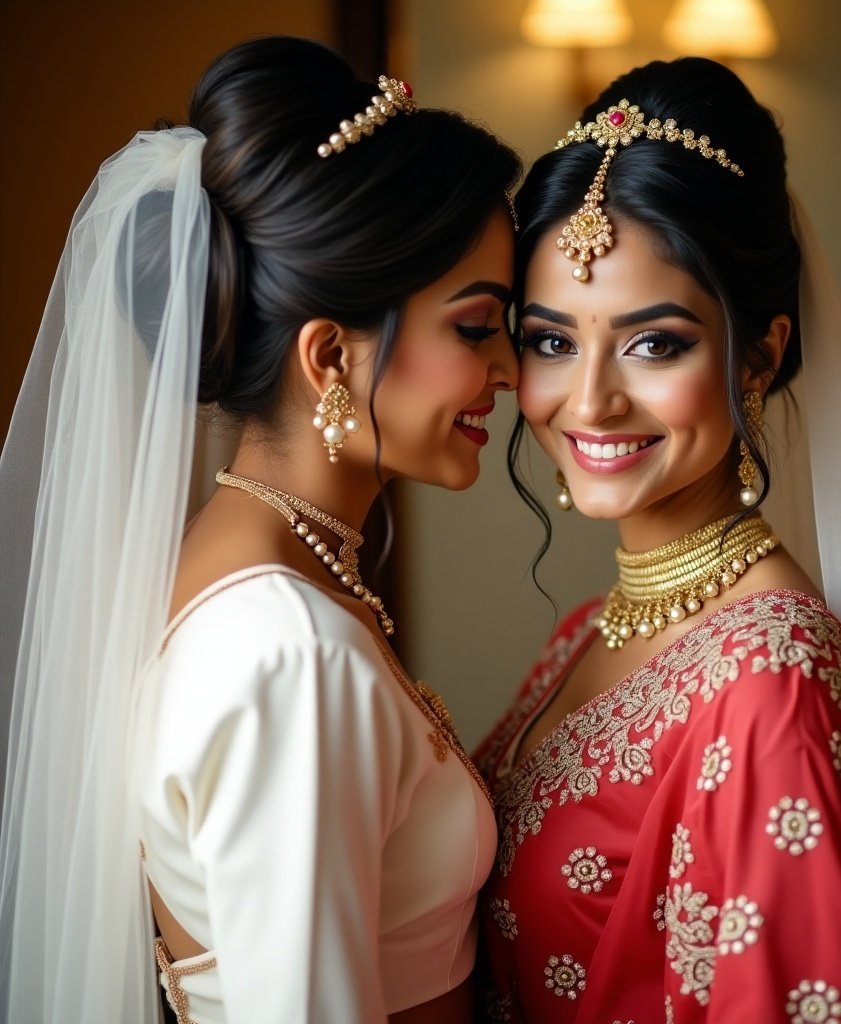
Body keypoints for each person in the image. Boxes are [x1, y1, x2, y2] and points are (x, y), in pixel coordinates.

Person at [0, 35, 521, 1024]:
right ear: (329, 356)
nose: (510, 371)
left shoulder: (254, 573)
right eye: (473, 325)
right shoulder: (286, 650)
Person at [474, 58, 841, 1022]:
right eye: (551, 340)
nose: (591, 400)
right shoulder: (589, 631)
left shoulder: (774, 686)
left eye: (655, 343)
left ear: (761, 355)